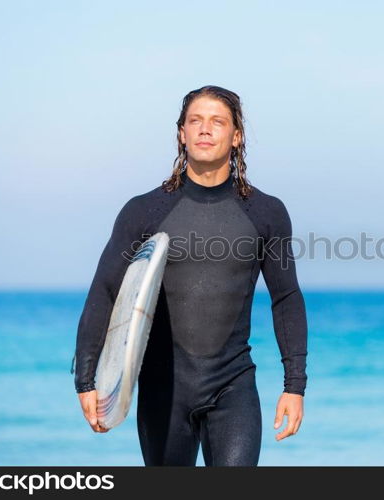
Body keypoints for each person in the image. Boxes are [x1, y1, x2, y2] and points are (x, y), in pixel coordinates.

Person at [71, 85, 308, 466]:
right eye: (195, 121)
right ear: (181, 133)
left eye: (217, 122)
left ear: (236, 136)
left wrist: (294, 386)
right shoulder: (144, 211)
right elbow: (106, 289)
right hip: (163, 389)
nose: (204, 129)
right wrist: (87, 377)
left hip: (233, 387)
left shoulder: (265, 212)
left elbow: (286, 299)